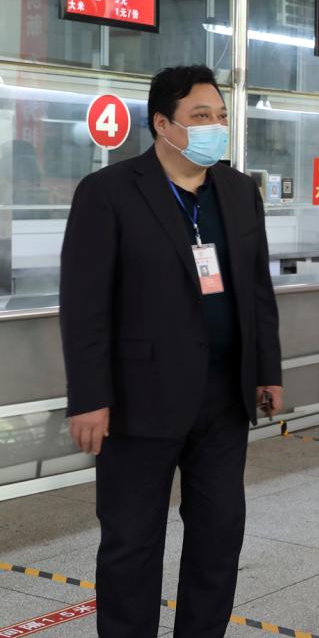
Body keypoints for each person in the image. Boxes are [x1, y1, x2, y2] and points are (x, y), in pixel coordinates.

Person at [60, 65, 283, 637]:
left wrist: (267, 370)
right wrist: (88, 397)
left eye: (221, 115)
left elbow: (257, 289)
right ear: (162, 124)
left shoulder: (238, 192)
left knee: (219, 536)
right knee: (132, 544)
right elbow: (84, 305)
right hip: (137, 401)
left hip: (224, 398)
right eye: (200, 116)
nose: (215, 126)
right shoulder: (109, 193)